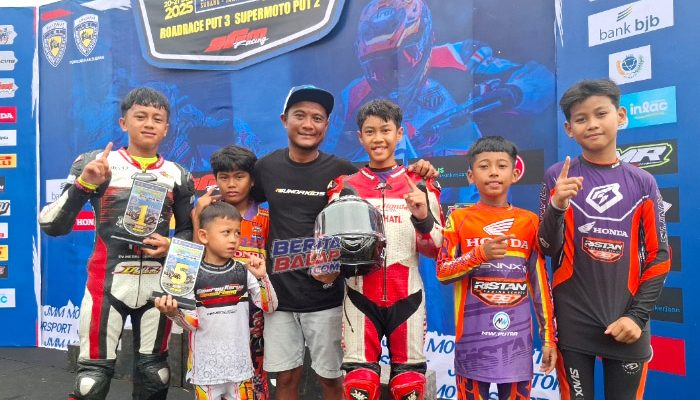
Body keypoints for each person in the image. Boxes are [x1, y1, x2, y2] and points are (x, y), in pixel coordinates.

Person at [251, 85, 436, 400]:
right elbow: (242, 204)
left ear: (326, 125)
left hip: (330, 297)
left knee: (343, 381)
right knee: (288, 379)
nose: (308, 124)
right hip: (281, 295)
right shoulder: (268, 167)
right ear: (284, 120)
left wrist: (422, 181)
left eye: (317, 118)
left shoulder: (347, 174)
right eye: (299, 116)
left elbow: (431, 245)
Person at [38, 87, 195, 400]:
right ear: (124, 123)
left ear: (166, 128)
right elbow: (52, 225)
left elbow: (188, 231)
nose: (149, 123)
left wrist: (172, 247)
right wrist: (84, 184)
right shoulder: (97, 163)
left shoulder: (178, 175)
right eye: (141, 116)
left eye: (157, 119)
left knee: (156, 374)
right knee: (91, 381)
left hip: (156, 289)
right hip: (105, 286)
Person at [538, 79, 670, 399]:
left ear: (620, 116)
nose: (593, 124)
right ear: (569, 129)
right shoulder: (558, 176)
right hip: (573, 324)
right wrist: (557, 207)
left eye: (601, 114)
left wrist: (636, 317)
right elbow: (546, 248)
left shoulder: (643, 182)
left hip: (628, 323)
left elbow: (660, 255)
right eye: (581, 119)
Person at [326, 99, 443, 400]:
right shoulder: (344, 187)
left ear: (399, 133)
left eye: (386, 130)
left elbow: (435, 249)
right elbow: (329, 251)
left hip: (409, 296)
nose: (378, 138)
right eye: (370, 131)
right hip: (359, 296)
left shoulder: (420, 183)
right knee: (359, 385)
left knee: (409, 386)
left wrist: (422, 217)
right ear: (360, 137)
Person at [436, 136, 556, 400]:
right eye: (484, 166)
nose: (493, 172)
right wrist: (480, 254)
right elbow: (443, 271)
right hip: (471, 346)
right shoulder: (459, 218)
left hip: (516, 347)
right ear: (470, 176)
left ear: (515, 174)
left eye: (501, 166)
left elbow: (540, 286)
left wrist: (549, 338)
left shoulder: (529, 222)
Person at [154, 201, 278, 400]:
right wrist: (174, 313)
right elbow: (192, 324)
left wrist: (262, 277)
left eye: (237, 233)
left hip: (241, 371)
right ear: (204, 235)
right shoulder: (191, 274)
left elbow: (270, 306)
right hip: (206, 372)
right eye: (226, 232)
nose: (233, 239)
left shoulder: (243, 270)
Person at [192, 145, 270, 399]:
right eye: (224, 177)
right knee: (214, 381)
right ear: (215, 180)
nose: (231, 184)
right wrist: (198, 215)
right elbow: (193, 259)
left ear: (252, 179)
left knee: (254, 379)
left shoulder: (265, 217)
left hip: (255, 314)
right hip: (214, 313)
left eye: (239, 176)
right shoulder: (207, 214)